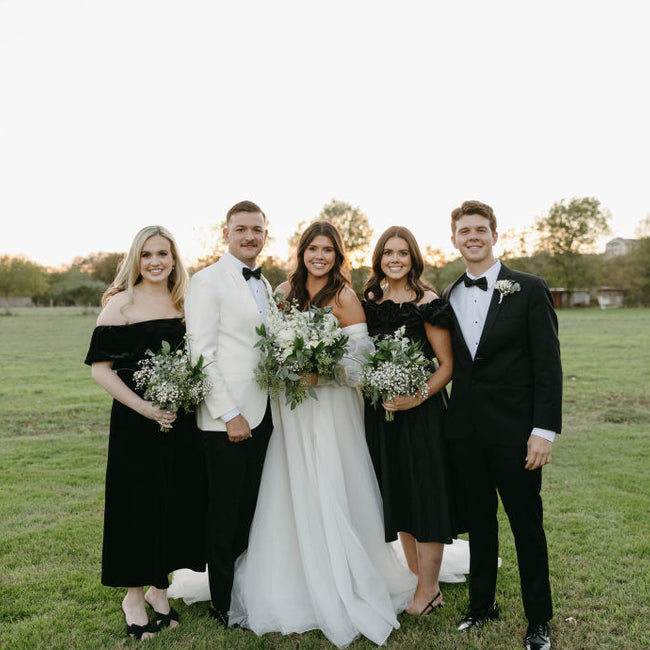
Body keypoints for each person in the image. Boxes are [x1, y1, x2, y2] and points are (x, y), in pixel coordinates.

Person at [171, 221, 417, 647]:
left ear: (338, 255)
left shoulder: (344, 296)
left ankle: (340, 576)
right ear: (301, 252)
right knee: (285, 490)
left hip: (329, 412)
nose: (319, 256)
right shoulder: (279, 293)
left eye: (327, 250)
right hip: (285, 413)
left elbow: (361, 364)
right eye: (312, 248)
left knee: (328, 486)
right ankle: (288, 576)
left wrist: (322, 372)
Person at [443, 200, 562, 650]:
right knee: (479, 521)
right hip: (465, 433)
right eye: (464, 231)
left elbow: (548, 367)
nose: (472, 237)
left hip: (517, 434)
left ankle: (538, 620)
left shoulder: (529, 288)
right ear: (453, 238)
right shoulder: (448, 294)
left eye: (480, 229)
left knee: (526, 524)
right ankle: (481, 606)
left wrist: (543, 431)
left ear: (494, 234)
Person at [85, 226, 206, 640]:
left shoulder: (184, 301)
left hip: (180, 422)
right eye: (148, 254)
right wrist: (144, 408)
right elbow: (101, 370)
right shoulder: (120, 305)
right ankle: (133, 598)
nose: (156, 262)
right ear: (136, 259)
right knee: (136, 505)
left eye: (164, 254)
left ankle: (160, 590)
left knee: (174, 502)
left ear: (174, 259)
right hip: (136, 423)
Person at [181, 200, 274, 626]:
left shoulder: (266, 284)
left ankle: (242, 589)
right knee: (224, 512)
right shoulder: (206, 281)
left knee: (250, 511)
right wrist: (229, 413)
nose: (249, 236)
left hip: (266, 414)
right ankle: (222, 602)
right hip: (227, 420)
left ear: (265, 233)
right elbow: (201, 352)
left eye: (257, 229)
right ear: (226, 234)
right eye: (241, 229)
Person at [362, 226, 456, 616]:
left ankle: (429, 589)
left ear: (413, 258)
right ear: (379, 258)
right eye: (388, 253)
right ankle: (420, 583)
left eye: (402, 253)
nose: (395, 259)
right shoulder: (368, 301)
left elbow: (446, 365)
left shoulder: (427, 301)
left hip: (422, 416)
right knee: (398, 493)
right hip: (383, 416)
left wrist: (415, 397)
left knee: (426, 496)